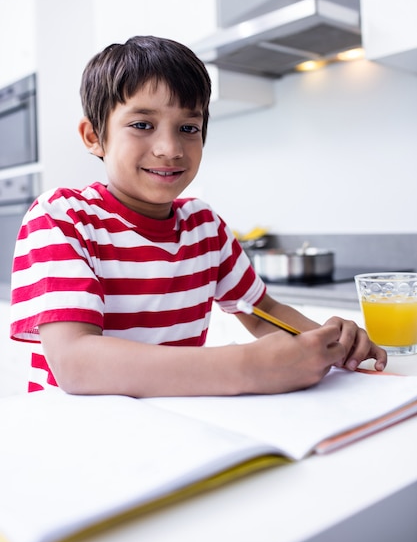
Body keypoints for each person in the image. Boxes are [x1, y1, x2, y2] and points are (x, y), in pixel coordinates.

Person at [9, 35, 387, 397]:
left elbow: (262, 312)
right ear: (93, 136)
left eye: (188, 128)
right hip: (76, 433)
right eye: (142, 125)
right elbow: (76, 364)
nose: (170, 148)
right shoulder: (61, 218)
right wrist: (245, 366)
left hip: (178, 426)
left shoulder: (205, 227)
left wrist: (332, 342)